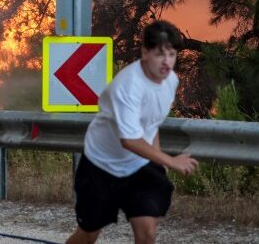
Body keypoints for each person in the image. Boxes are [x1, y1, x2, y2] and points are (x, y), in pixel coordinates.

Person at [65, 20, 199, 244]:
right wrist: (170, 160)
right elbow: (129, 140)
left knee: (147, 233)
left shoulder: (170, 81)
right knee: (89, 234)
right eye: (159, 55)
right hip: (101, 165)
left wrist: (158, 164)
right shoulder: (127, 86)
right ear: (145, 52)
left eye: (172, 54)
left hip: (138, 166)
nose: (167, 63)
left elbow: (151, 123)